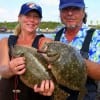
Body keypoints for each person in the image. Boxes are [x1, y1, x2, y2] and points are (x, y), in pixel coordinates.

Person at [35, 0, 100, 100]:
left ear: (83, 12)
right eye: (65, 9)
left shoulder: (96, 36)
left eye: (75, 9)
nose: (70, 13)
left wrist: (71, 58)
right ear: (60, 13)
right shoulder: (55, 36)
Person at [0, 2, 54, 100]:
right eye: (27, 15)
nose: (32, 20)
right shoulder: (5, 41)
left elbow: (51, 71)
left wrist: (49, 86)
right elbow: (2, 70)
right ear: (19, 18)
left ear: (40, 20)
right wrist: (10, 69)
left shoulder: (45, 42)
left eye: (36, 16)